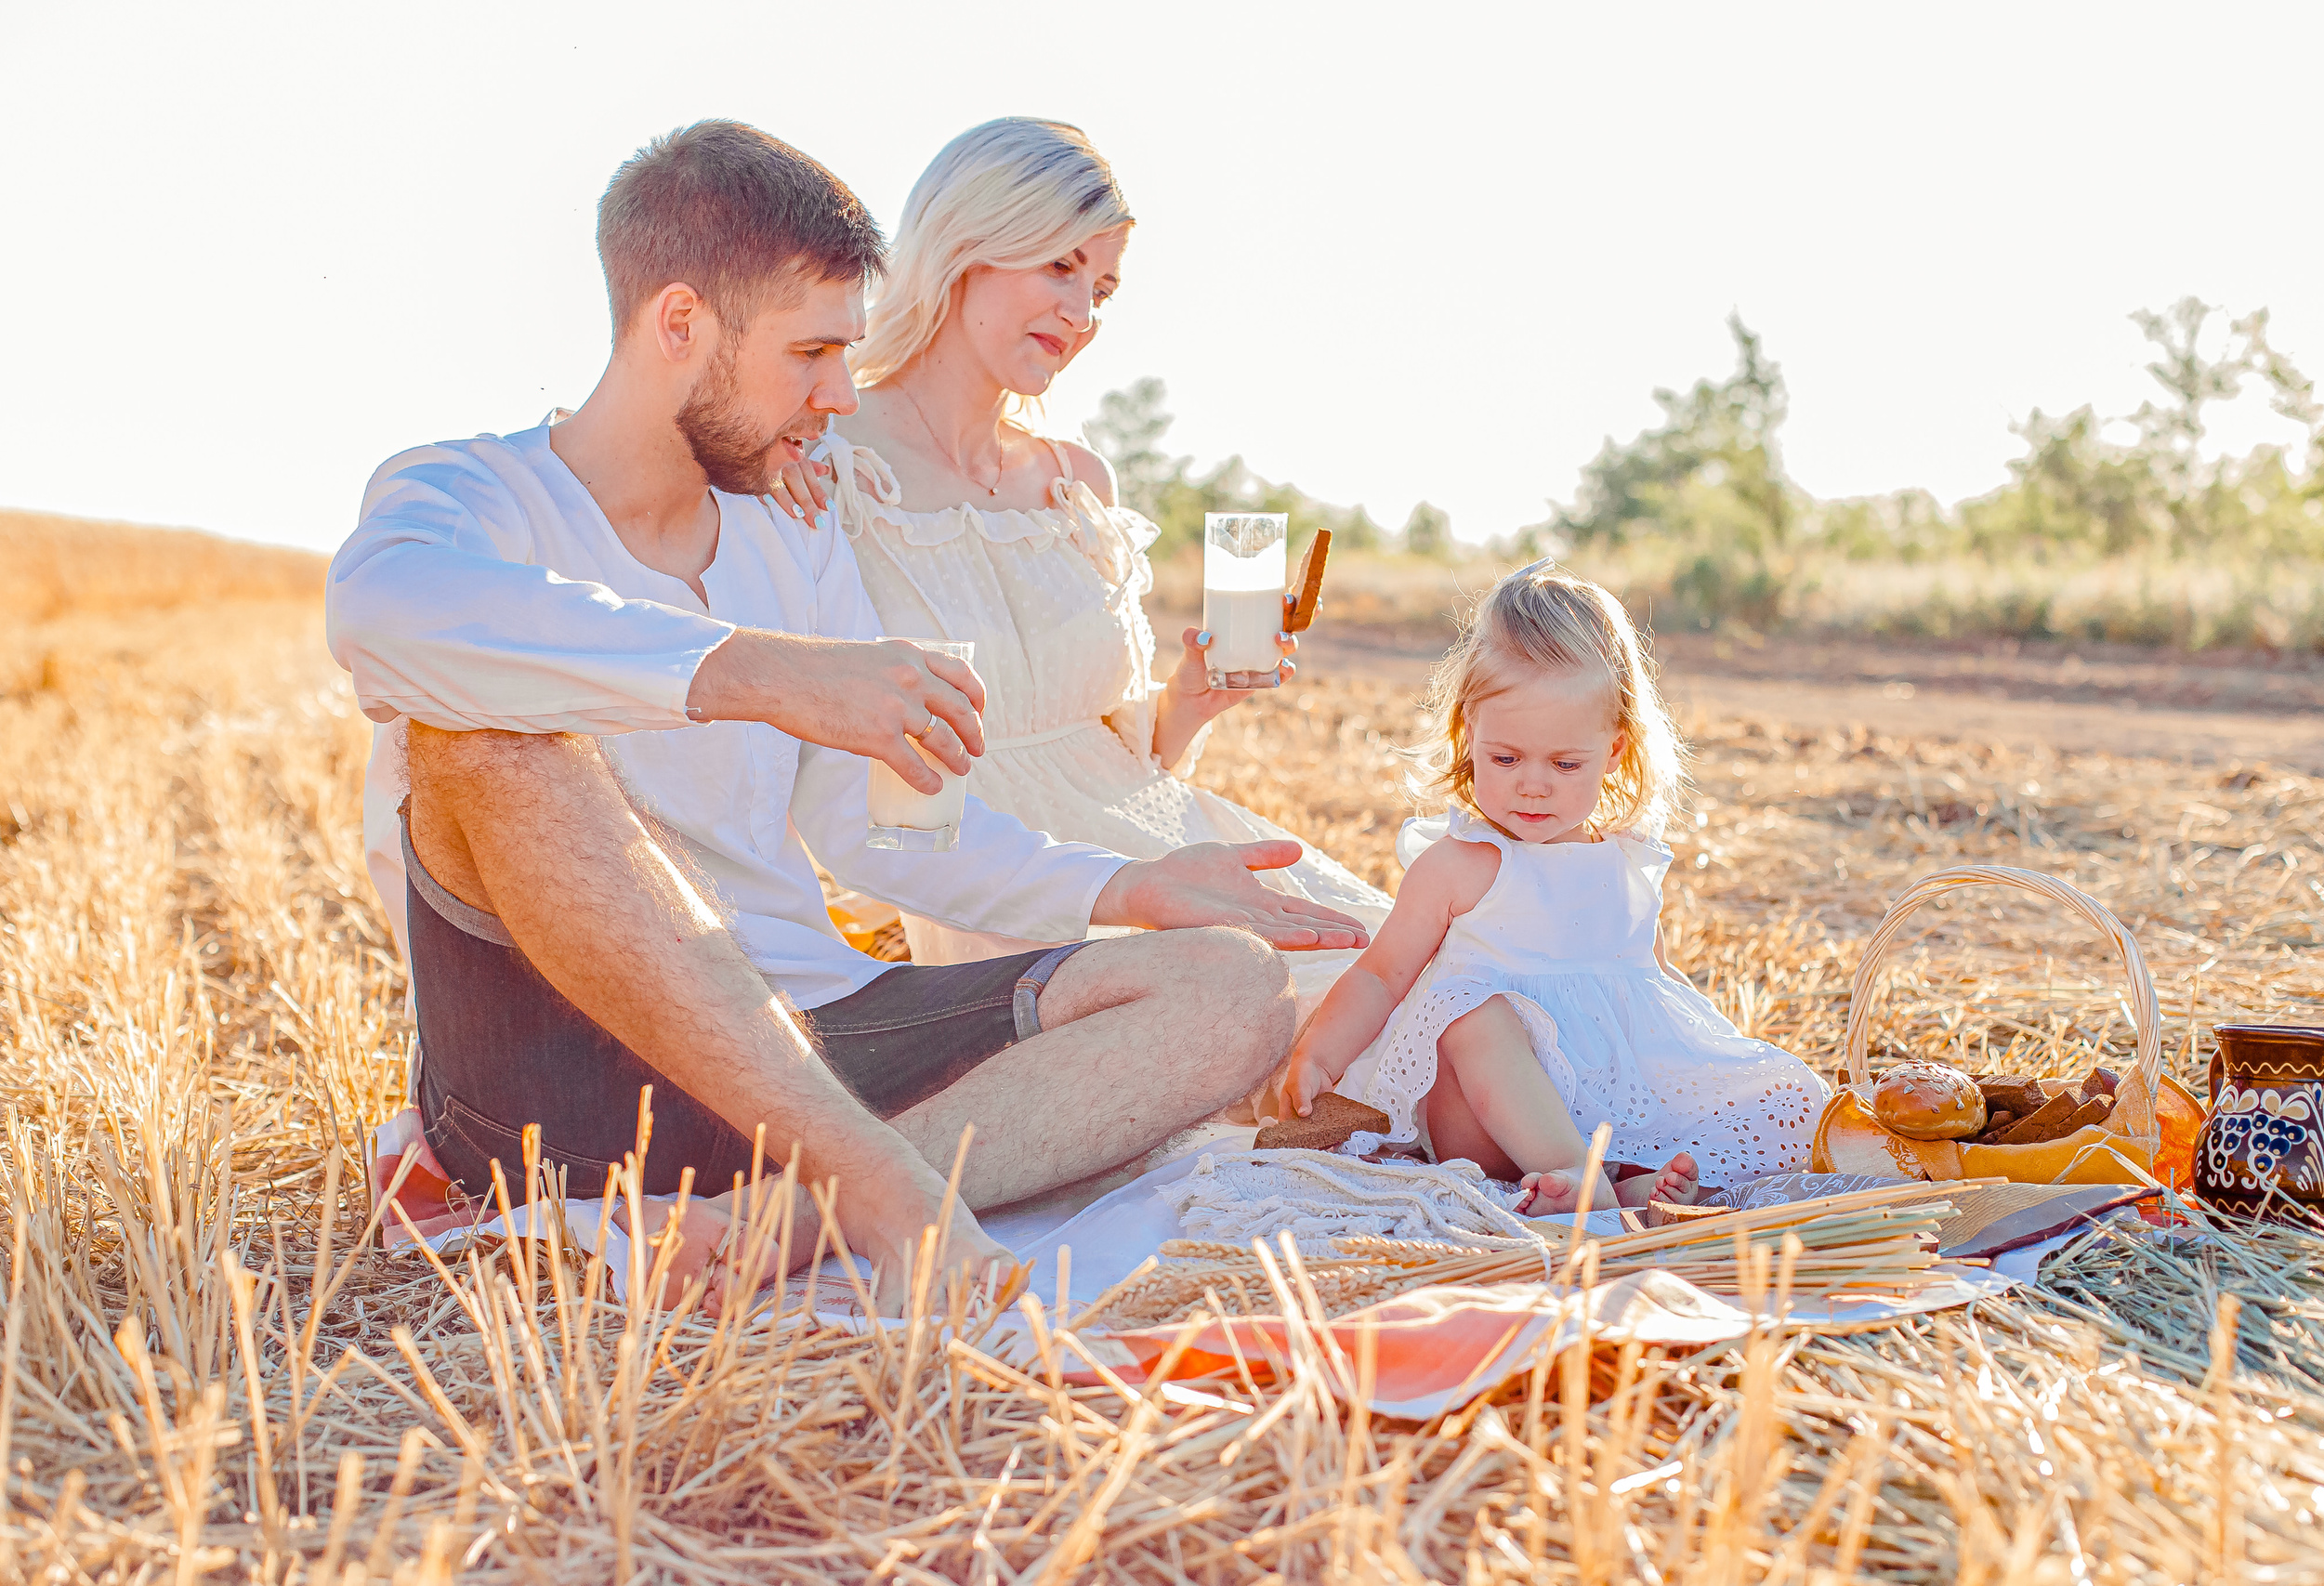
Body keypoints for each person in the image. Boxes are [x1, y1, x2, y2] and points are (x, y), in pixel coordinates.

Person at [325, 120, 1367, 1306]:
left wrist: (1125, 890)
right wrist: (764, 673)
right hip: (556, 1087)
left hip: (809, 1059)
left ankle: (808, 1208)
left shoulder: (794, 526)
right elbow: (383, 617)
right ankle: (886, 1185)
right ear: (680, 327)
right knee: (480, 730)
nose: (838, 393)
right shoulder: (470, 492)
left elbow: (885, 833)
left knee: (1226, 985)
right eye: (812, 353)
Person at [797, 119, 1392, 1000]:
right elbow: (862, 792)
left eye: (1103, 289)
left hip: (1165, 841)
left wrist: (1186, 706)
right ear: (968, 243)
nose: (1082, 317)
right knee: (1306, 1013)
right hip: (1019, 901)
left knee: (1445, 981)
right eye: (1060, 268)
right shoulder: (829, 465)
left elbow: (1111, 746)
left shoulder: (1077, 480)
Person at [1258, 559, 1831, 1213]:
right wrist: (1320, 1054)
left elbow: (1664, 994)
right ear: (1469, 734)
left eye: (1565, 763)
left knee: (1787, 1095)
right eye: (1506, 758)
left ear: (1614, 751)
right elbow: (1381, 975)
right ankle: (1574, 1174)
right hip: (1479, 1121)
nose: (1533, 784)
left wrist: (1715, 1074)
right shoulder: (1461, 865)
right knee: (1473, 1010)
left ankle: (1622, 1183)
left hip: (1605, 1111)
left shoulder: (1622, 866)